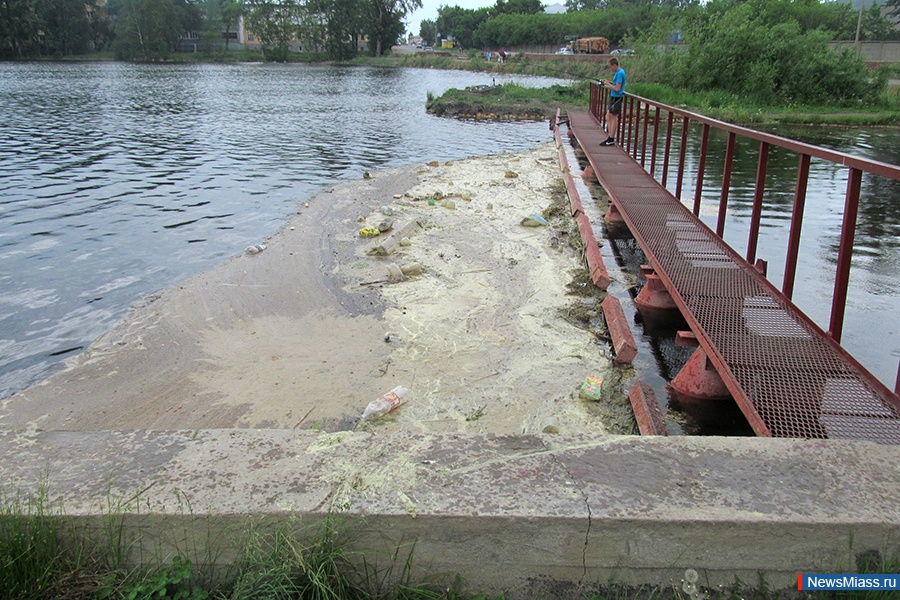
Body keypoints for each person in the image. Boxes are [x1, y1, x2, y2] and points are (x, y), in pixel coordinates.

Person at [601, 57, 626, 146]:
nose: (610, 69)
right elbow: (616, 85)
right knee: (608, 116)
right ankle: (610, 137)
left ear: (615, 65)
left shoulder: (619, 73)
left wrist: (608, 84)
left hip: (616, 97)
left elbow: (617, 88)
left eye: (610, 67)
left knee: (613, 117)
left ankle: (611, 138)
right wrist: (609, 83)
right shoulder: (619, 73)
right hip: (613, 97)